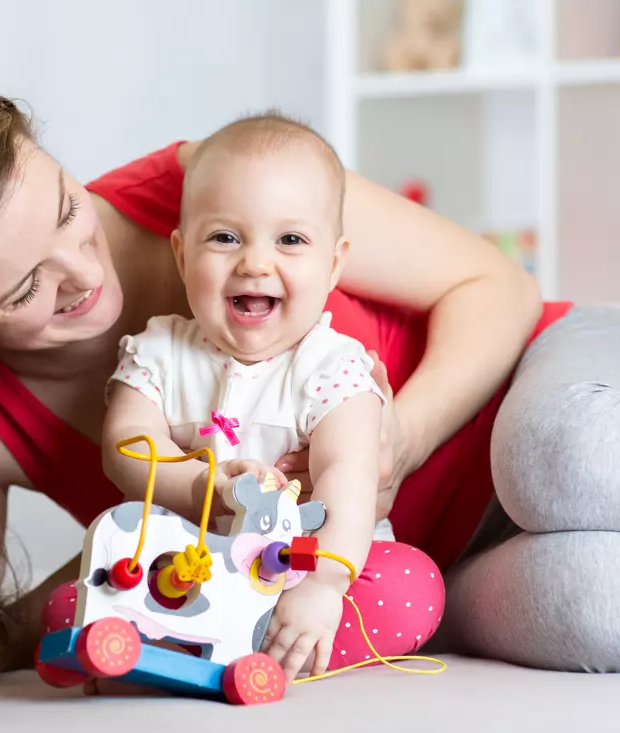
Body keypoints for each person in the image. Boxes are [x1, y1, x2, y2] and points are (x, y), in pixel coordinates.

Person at [0, 77, 620, 689]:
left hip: (543, 384)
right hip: (424, 566)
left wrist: (394, 443)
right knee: (590, 604)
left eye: (61, 208)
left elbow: (496, 285)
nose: (81, 276)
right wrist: (118, 591)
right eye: (24, 290)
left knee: (555, 461)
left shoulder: (210, 185)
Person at [90, 113, 443, 679]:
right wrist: (203, 484)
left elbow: (348, 477)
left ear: (332, 265)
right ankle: (204, 641)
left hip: (306, 572)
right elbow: (126, 446)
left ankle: (244, 645)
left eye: (290, 240)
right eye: (225, 237)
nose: (255, 262)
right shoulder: (158, 352)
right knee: (81, 598)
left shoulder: (333, 367)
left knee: (410, 588)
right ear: (182, 256)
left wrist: (325, 584)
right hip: (193, 571)